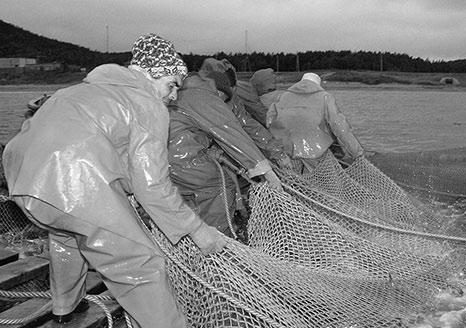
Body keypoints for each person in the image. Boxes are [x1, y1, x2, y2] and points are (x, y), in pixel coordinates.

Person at [2, 33, 226, 328]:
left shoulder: (78, 91)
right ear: (151, 74)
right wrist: (197, 230)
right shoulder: (147, 103)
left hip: (22, 178)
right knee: (139, 264)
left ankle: (64, 307)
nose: (173, 96)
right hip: (72, 181)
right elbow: (153, 187)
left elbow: (101, 148)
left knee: (67, 235)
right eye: (171, 85)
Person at [167, 69, 282, 240]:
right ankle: (220, 245)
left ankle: (192, 238)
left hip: (161, 160)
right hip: (182, 160)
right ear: (220, 91)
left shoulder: (182, 91)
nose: (223, 104)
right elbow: (228, 130)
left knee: (187, 199)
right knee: (220, 186)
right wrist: (265, 170)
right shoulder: (204, 96)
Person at [199, 58, 293, 170]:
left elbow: (249, 125)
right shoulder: (185, 99)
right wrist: (204, 152)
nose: (226, 98)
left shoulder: (232, 100)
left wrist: (278, 153)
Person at [266, 72, 364, 173]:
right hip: (316, 150)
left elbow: (269, 121)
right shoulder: (325, 97)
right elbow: (340, 127)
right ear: (318, 84)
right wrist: (356, 152)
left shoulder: (282, 96)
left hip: (287, 148)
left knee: (293, 179)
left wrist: (276, 148)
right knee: (322, 180)